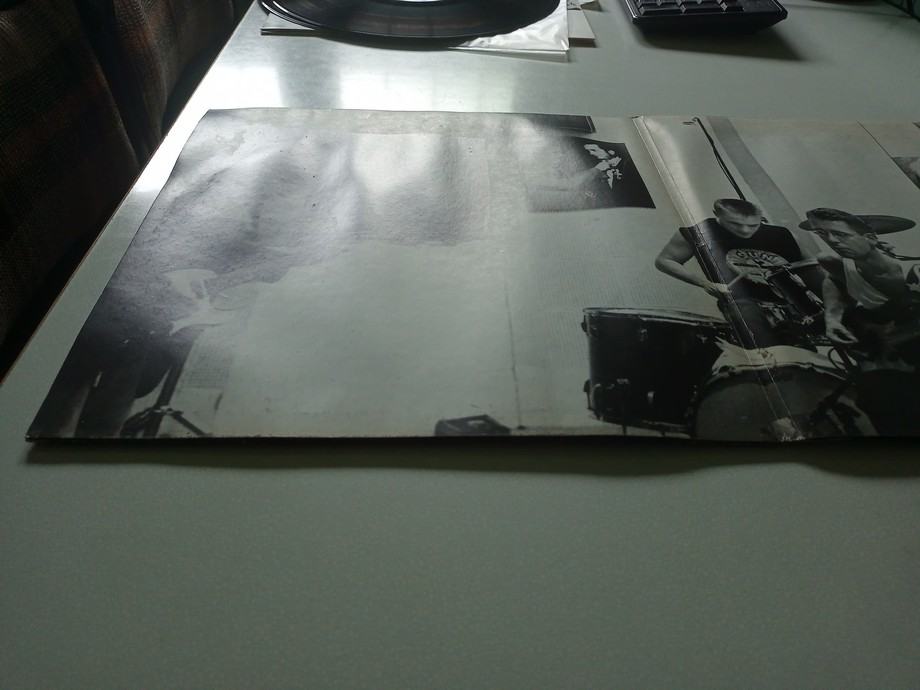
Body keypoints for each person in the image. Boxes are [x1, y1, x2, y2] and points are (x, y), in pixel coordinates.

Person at [802, 207, 920, 435]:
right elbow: (834, 281)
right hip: (889, 359)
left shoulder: (911, 270)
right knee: (876, 398)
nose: (832, 241)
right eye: (823, 234)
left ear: (871, 238)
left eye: (841, 234)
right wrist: (832, 318)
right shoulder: (835, 262)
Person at [654, 198, 815, 349]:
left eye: (753, 225)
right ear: (717, 215)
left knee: (805, 351)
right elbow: (665, 260)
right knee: (767, 350)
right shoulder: (699, 231)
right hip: (742, 302)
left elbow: (811, 266)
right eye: (735, 224)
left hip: (793, 301)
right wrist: (705, 283)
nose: (745, 230)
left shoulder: (782, 234)